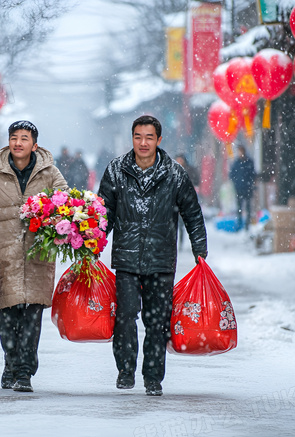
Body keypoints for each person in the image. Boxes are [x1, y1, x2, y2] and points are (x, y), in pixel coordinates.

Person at [98, 115, 207, 397]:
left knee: (157, 321)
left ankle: (153, 377)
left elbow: (192, 213)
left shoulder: (175, 173)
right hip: (126, 258)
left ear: (159, 140)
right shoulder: (116, 171)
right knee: (124, 316)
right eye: (138, 137)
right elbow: (104, 213)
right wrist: (92, 245)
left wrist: (199, 249)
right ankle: (125, 370)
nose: (143, 143)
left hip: (161, 259)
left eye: (149, 137)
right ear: (131, 138)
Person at [0, 120, 67, 393]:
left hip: (38, 252)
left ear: (34, 145)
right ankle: (11, 363)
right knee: (7, 316)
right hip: (4, 251)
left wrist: (61, 222)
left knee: (32, 315)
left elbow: (66, 203)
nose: (18, 143)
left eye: (24, 138)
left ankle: (24, 371)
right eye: (14, 137)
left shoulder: (50, 173)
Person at [174, 154, 201, 250]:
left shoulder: (190, 170)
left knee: (187, 223)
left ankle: (191, 242)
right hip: (176, 201)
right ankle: (177, 242)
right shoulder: (172, 171)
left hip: (187, 200)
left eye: (181, 160)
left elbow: (197, 181)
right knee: (176, 224)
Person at [229, 145, 256, 231]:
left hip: (247, 188)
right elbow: (232, 174)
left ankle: (247, 224)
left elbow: (252, 175)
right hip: (239, 188)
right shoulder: (236, 163)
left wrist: (250, 183)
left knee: (248, 207)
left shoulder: (249, 162)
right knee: (239, 207)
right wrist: (236, 183)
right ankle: (240, 223)